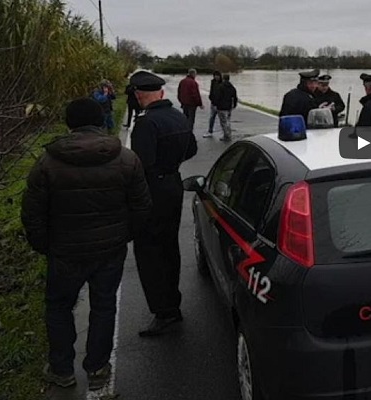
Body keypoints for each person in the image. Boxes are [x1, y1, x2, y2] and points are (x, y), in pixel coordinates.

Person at [21, 98, 152, 390]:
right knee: (104, 307)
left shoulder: (48, 163)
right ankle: (97, 368)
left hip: (64, 251)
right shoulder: (127, 158)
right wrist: (123, 235)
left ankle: (61, 368)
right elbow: (142, 207)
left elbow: (32, 213)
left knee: (58, 307)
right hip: (109, 250)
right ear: (100, 120)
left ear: (69, 123)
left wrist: (45, 245)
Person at [129, 70, 199, 336]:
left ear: (138, 95)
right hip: (173, 185)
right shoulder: (177, 116)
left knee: (149, 251)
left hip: (152, 189)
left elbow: (140, 164)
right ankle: (173, 304)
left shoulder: (147, 124)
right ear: (161, 93)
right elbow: (191, 149)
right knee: (169, 246)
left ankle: (163, 311)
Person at [214, 74, 238, 142]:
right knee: (228, 121)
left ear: (223, 78)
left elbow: (217, 96)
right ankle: (228, 134)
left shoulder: (220, 87)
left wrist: (215, 104)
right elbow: (235, 97)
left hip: (221, 107)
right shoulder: (232, 87)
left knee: (223, 122)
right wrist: (234, 105)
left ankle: (227, 136)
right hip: (229, 106)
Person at [205, 71, 223, 138]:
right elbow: (211, 91)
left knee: (222, 119)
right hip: (213, 103)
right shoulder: (213, 82)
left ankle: (223, 132)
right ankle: (210, 131)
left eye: (217, 76)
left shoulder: (222, 83)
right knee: (212, 117)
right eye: (215, 76)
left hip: (220, 104)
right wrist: (211, 98)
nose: (216, 77)